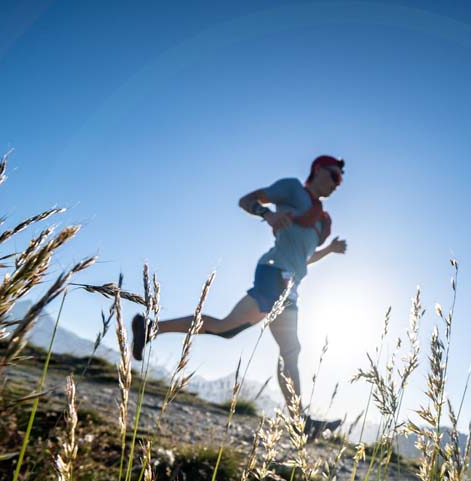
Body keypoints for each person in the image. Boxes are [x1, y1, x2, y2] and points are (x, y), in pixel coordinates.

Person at [132, 155, 347, 439]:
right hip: (274, 273)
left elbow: (305, 257)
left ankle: (151, 328)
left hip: (291, 285)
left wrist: (328, 251)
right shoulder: (293, 189)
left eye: (341, 182)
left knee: (233, 331)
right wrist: (267, 214)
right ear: (318, 169)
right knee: (286, 350)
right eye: (334, 176)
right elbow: (246, 200)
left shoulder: (322, 221)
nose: (337, 184)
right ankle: (301, 422)